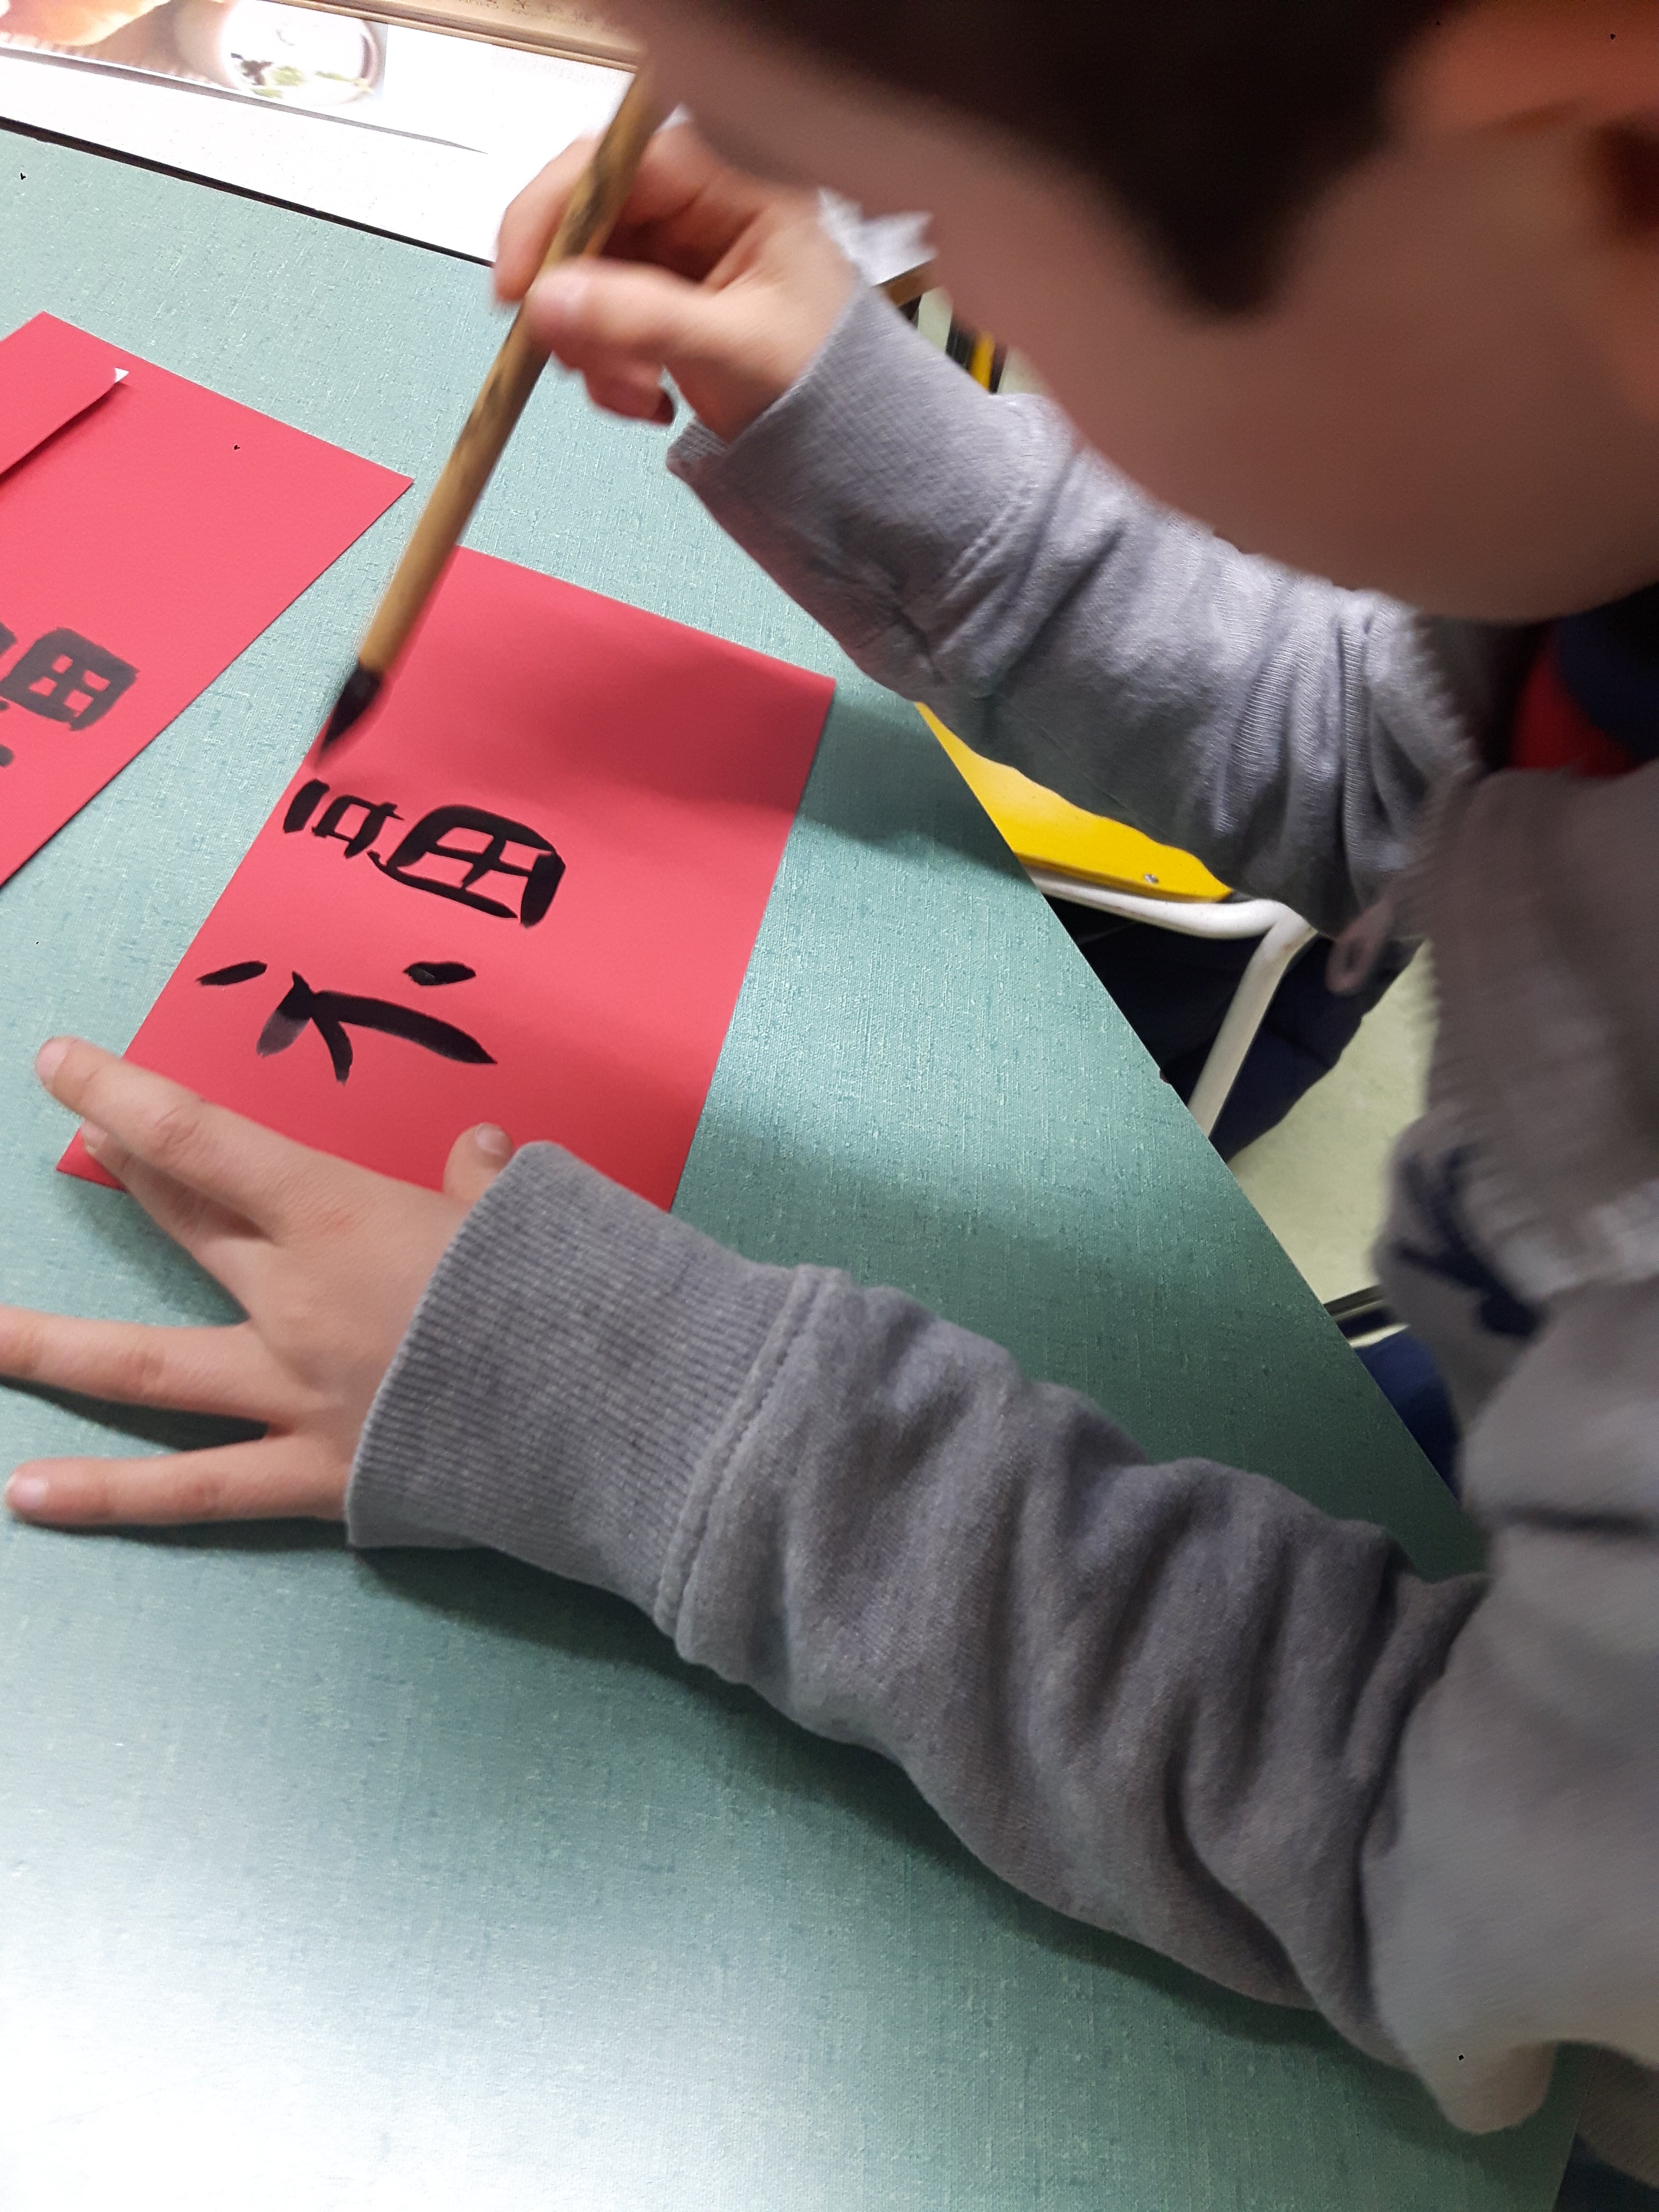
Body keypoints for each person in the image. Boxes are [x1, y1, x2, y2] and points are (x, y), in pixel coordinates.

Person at [5, 0, 1658, 2187]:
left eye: (949, 216)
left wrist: (634, 1403)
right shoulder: (1583, 496)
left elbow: (1433, 1845)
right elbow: (1405, 745)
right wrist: (856, 414)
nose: (924, 259)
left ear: (1583, 163)